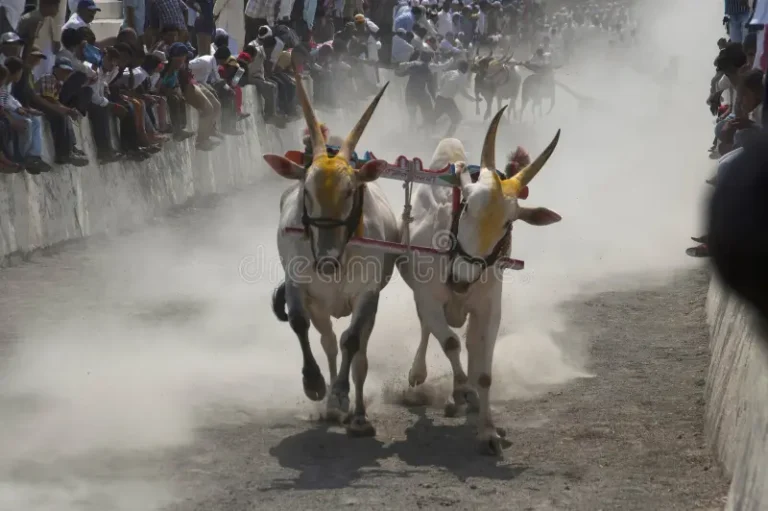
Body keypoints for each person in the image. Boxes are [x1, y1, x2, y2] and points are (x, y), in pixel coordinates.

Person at [35, 57, 89, 166]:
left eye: (68, 72)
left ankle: (70, 147)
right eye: (63, 70)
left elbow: (54, 101)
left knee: (65, 115)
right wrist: (65, 110)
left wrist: (67, 110)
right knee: (60, 116)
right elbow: (48, 99)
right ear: (55, 69)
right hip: (40, 105)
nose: (65, 74)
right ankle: (63, 153)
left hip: (47, 105)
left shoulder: (57, 82)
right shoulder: (49, 78)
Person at [0, 59, 51, 173]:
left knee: (36, 120)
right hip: (5, 115)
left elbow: (10, 101)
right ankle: (21, 156)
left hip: (8, 112)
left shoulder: (7, 86)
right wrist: (12, 120)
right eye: (20, 72)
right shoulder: (4, 85)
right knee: (26, 123)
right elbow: (4, 106)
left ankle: (33, 156)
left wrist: (23, 109)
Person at [433, 59, 473, 137]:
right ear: (464, 69)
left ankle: (420, 130)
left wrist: (441, 87)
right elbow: (463, 93)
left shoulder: (451, 72)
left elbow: (442, 78)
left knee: (433, 117)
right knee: (457, 118)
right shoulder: (461, 77)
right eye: (467, 69)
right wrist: (473, 99)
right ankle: (447, 137)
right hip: (447, 100)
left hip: (440, 98)